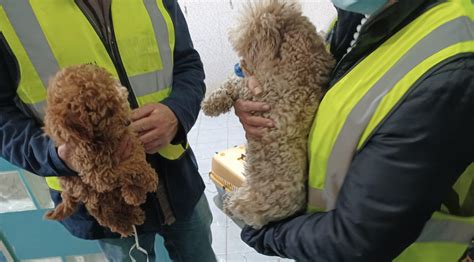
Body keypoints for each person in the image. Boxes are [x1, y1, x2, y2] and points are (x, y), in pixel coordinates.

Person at [234, 0, 474, 261]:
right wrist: (263, 98)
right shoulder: (359, 16)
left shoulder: (452, 70)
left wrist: (268, 234)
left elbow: (356, 239)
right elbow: (332, 94)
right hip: (318, 239)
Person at [0, 0, 216, 261]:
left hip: (178, 173)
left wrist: (177, 113)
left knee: (200, 252)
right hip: (101, 200)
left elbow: (186, 62)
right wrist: (55, 155)